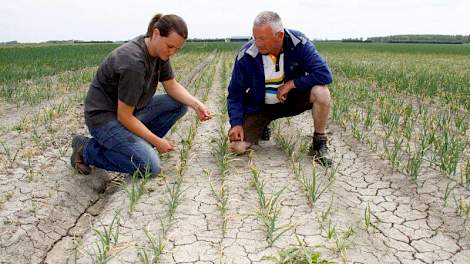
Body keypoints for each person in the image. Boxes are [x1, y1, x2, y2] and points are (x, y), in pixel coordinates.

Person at [70, 13, 212, 176]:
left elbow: (171, 85)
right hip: (104, 120)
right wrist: (157, 141)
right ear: (156, 33)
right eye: (170, 46)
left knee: (179, 104)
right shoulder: (133, 63)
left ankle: (138, 147)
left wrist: (197, 104)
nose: (172, 52)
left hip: (129, 111)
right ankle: (86, 149)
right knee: (150, 167)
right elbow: (124, 117)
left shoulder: (159, 51)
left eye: (177, 49)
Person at [227, 11, 333, 166]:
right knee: (237, 148)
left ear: (279, 36)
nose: (257, 43)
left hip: (292, 100)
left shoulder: (299, 43)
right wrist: (236, 123)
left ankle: (319, 143)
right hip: (261, 107)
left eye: (262, 38)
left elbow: (325, 74)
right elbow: (235, 93)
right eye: (254, 37)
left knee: (321, 93)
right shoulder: (247, 55)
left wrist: (292, 84)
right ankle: (263, 125)